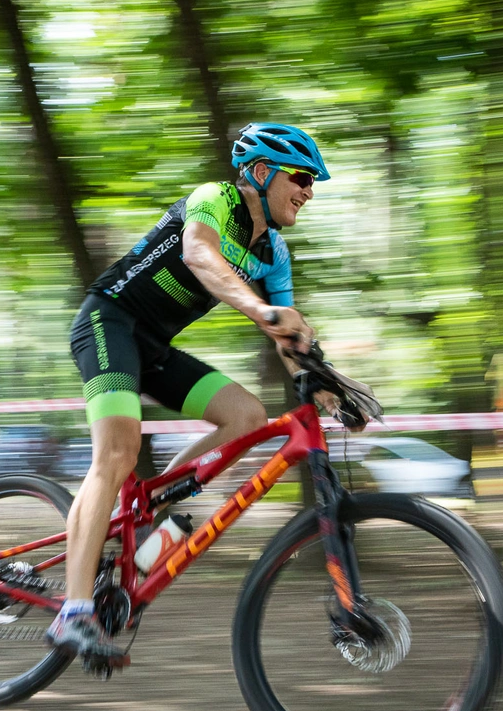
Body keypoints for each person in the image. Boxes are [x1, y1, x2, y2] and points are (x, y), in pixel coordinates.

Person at [46, 122, 344, 667]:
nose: (308, 191)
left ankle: (155, 501)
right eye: (301, 177)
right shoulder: (213, 199)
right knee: (117, 453)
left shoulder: (274, 253)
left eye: (313, 183)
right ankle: (73, 610)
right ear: (260, 172)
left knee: (248, 415)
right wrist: (260, 310)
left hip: (152, 345)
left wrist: (323, 381)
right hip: (109, 323)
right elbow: (200, 257)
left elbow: (286, 334)